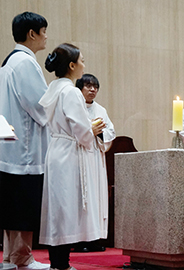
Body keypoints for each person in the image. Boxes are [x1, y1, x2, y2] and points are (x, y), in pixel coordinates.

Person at [38, 43, 103, 270]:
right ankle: (62, 264)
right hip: (69, 153)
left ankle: (57, 261)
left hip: (56, 149)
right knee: (66, 209)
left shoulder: (53, 87)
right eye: (82, 60)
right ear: (72, 65)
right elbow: (81, 131)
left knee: (58, 209)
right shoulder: (71, 91)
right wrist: (92, 131)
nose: (84, 65)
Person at [0, 11, 50, 270]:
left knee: (11, 205)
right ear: (32, 34)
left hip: (10, 148)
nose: (46, 37)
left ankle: (10, 257)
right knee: (22, 204)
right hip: (26, 149)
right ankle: (23, 258)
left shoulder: (9, 62)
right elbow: (40, 106)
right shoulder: (25, 63)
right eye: (44, 31)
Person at [72, 74, 115, 252]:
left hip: (96, 159)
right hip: (79, 157)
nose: (92, 90)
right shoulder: (74, 107)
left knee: (96, 197)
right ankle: (79, 239)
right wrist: (89, 129)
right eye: (88, 86)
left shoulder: (101, 110)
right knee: (82, 196)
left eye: (95, 86)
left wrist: (99, 132)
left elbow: (110, 131)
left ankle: (95, 238)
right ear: (79, 88)